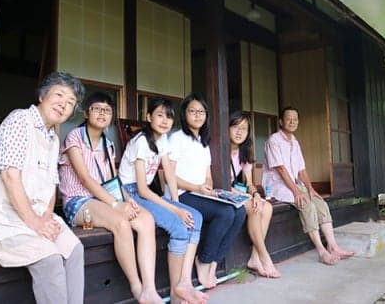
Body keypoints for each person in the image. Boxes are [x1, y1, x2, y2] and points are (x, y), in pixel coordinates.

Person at [0, 71, 86, 304]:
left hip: (37, 217)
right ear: (42, 96)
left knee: (75, 250)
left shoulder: (53, 138)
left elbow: (52, 184)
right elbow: (10, 176)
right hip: (8, 218)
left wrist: (46, 218)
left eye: (70, 102)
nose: (63, 104)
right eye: (59, 95)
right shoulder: (19, 120)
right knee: (50, 259)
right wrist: (35, 222)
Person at [59, 92, 162, 304]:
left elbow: (112, 181)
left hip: (104, 201)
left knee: (146, 219)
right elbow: (85, 179)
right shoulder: (75, 137)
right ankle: (137, 288)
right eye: (97, 108)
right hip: (79, 203)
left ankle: (150, 289)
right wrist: (116, 205)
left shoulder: (108, 143)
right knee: (121, 222)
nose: (102, 113)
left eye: (107, 110)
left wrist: (127, 199)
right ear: (86, 113)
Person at [118, 97, 208, 304]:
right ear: (149, 117)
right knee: (178, 227)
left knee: (196, 217)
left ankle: (184, 282)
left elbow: (169, 174)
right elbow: (142, 189)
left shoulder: (163, 139)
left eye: (169, 117)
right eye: (159, 115)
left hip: (145, 193)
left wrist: (178, 204)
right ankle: (177, 291)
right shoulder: (141, 141)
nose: (165, 121)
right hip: (130, 194)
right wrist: (175, 211)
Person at [169, 94, 246, 289]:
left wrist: (210, 190)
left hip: (199, 193)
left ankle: (214, 262)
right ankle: (203, 260)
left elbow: (208, 176)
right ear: (184, 114)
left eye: (201, 112)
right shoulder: (177, 138)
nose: (197, 115)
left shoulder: (204, 143)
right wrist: (197, 188)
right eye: (192, 111)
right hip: (182, 194)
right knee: (225, 213)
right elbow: (169, 177)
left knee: (240, 211)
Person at [262, 106, 354, 265]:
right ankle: (321, 251)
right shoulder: (274, 140)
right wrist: (297, 192)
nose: (292, 122)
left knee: (320, 203)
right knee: (307, 204)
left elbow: (302, 170)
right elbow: (281, 170)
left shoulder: (294, 141)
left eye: (295, 119)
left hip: (294, 184)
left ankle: (333, 247)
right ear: (281, 122)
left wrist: (311, 189)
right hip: (277, 186)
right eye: (289, 119)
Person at [228, 111, 281, 278]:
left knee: (266, 207)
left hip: (237, 193)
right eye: (235, 127)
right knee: (253, 207)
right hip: (221, 192)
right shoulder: (218, 149)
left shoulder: (244, 152)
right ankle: (265, 257)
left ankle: (254, 258)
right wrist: (247, 197)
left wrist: (256, 194)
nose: (239, 132)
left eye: (244, 128)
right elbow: (218, 183)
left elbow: (249, 183)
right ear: (227, 128)